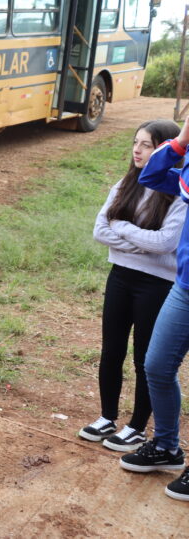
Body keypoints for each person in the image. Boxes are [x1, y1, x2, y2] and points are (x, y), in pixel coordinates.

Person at [79, 120, 184, 451]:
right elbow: (100, 231)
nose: (138, 150)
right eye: (135, 143)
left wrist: (122, 228)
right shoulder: (124, 184)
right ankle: (107, 416)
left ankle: (137, 426)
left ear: (166, 150)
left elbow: (166, 242)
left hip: (158, 284)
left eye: (147, 145)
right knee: (111, 349)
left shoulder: (178, 192)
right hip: (121, 275)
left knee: (145, 357)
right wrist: (140, 240)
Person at [124, 116, 189, 501]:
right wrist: (181, 140)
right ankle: (167, 446)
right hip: (184, 286)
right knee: (156, 365)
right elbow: (151, 176)